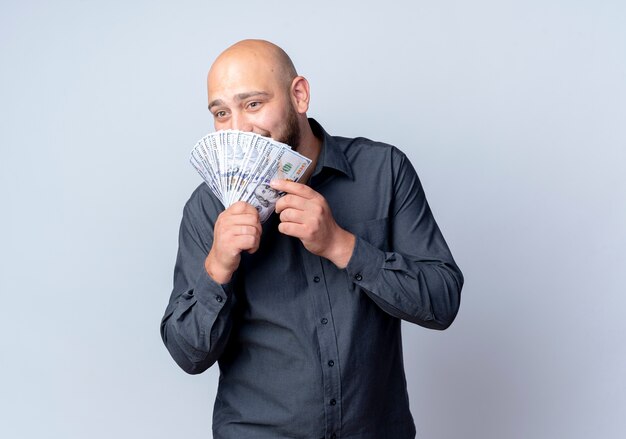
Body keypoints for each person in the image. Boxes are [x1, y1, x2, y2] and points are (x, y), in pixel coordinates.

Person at [160, 39, 463, 439]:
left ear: (299, 95)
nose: (238, 130)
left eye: (253, 104)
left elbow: (442, 303)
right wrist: (217, 267)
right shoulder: (205, 209)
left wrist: (341, 245)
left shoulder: (384, 171)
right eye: (221, 112)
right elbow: (189, 355)